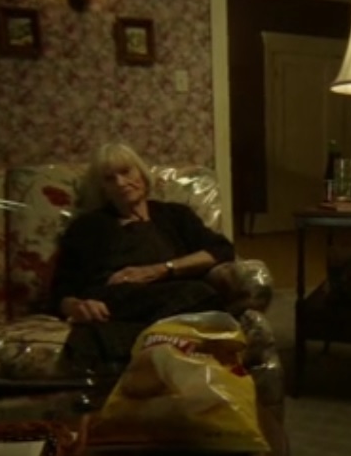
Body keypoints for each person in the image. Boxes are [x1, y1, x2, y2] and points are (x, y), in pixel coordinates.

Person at [49, 142, 236, 371]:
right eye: (110, 179)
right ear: (103, 189)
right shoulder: (88, 226)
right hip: (113, 304)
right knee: (200, 299)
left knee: (200, 296)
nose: (121, 183)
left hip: (172, 300)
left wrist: (160, 269)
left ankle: (145, 344)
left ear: (142, 173)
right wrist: (77, 306)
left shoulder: (175, 215)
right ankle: (160, 346)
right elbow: (60, 289)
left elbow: (221, 250)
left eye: (125, 172)